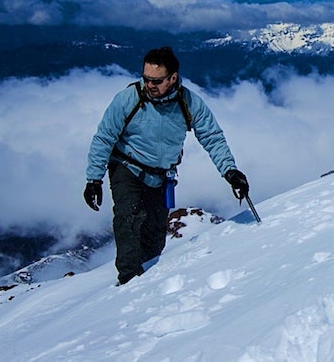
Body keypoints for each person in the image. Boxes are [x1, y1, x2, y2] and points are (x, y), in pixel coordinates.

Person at [83, 46, 249, 285]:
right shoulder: (128, 99)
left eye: (157, 81)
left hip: (161, 175)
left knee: (154, 233)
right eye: (146, 79)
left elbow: (212, 136)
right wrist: (94, 179)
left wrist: (230, 171)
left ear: (173, 78)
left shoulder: (188, 103)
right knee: (127, 218)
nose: (150, 85)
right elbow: (104, 137)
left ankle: (149, 278)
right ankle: (129, 282)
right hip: (126, 167)